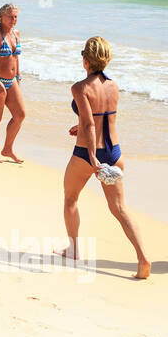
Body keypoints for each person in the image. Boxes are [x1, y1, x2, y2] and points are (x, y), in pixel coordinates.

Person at [58, 37, 150, 279]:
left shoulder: (80, 88)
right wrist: (81, 127)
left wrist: (90, 156)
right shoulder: (114, 86)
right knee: (119, 208)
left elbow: (89, 123)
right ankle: (142, 257)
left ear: (85, 60)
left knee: (70, 198)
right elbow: (103, 118)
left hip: (87, 154)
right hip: (114, 152)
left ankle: (74, 249)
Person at [0, 3, 26, 162]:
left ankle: (7, 149)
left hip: (11, 80)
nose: (13, 19)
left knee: (20, 115)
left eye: (15, 16)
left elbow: (15, 57)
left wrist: (18, 77)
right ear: (1, 16)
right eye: (10, 16)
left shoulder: (16, 33)